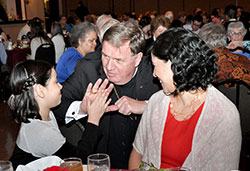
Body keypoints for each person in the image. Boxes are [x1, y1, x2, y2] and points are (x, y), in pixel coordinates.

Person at [129, 27, 242, 170]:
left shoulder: (224, 115)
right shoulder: (156, 102)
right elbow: (137, 153)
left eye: (155, 66)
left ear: (175, 65)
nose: (154, 74)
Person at [53, 21, 161, 169]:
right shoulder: (88, 69)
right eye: (105, 56)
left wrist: (147, 105)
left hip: (147, 161)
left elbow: (181, 104)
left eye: (118, 60)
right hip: (102, 161)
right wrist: (82, 108)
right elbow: (54, 104)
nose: (109, 67)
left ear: (137, 59)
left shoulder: (154, 71)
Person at [8, 60, 113, 169]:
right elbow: (78, 161)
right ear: (40, 90)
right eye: (56, 82)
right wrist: (93, 119)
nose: (61, 86)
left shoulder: (43, 113)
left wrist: (83, 109)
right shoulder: (40, 131)